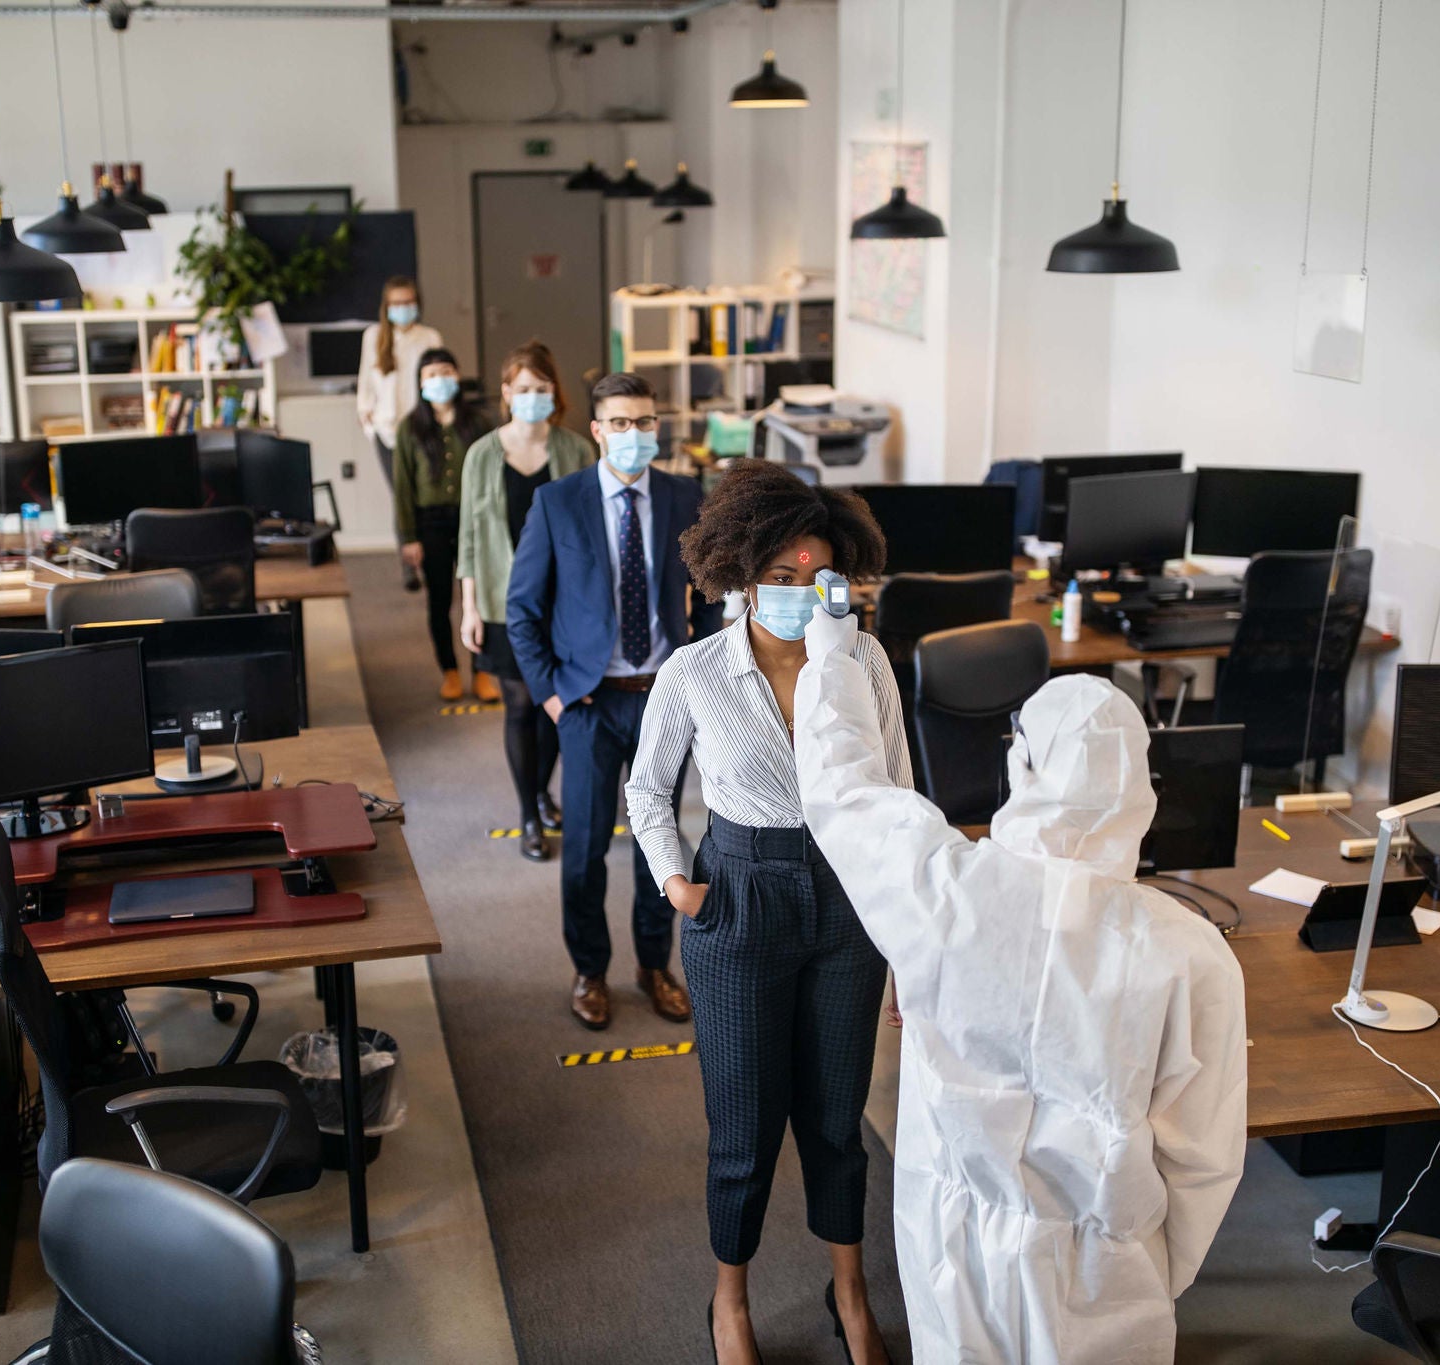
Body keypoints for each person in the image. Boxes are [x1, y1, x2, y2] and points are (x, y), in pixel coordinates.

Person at [793, 635, 1250, 1365]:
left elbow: (844, 791)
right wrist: (1149, 1271)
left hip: (955, 1249)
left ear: (1022, 765)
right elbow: (1205, 1161)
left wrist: (832, 662)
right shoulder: (1190, 953)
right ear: (1138, 781)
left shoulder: (946, 896)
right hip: (1106, 1274)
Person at [626, 461, 906, 1365]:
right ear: (742, 572)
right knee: (743, 1129)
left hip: (847, 903)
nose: (796, 594)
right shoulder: (696, 669)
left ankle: (851, 1291)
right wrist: (678, 882)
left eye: (815, 578)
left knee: (836, 1121)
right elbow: (647, 789)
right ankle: (729, 1300)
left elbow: (897, 791)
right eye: (778, 577)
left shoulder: (861, 659)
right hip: (739, 899)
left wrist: (909, 939)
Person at [506, 372, 721, 1030]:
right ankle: (590, 969)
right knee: (587, 846)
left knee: (661, 841)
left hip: (663, 697)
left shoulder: (687, 496)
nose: (634, 435)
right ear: (597, 431)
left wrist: (701, 676)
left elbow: (710, 597)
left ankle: (654, 964)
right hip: (589, 702)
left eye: (645, 422)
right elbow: (522, 611)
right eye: (620, 424)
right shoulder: (557, 503)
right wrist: (550, 695)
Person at [456, 340, 596, 859]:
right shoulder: (481, 455)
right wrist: (469, 606)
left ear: (553, 393)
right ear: (506, 393)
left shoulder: (576, 450)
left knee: (554, 705)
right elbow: (469, 536)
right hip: (500, 601)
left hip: (563, 602)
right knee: (518, 705)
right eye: (523, 389)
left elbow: (591, 530)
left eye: (542, 388)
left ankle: (542, 792)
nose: (533, 397)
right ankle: (527, 814)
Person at [393, 347, 491, 702]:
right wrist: (408, 536)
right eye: (431, 374)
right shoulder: (409, 427)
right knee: (439, 600)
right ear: (420, 382)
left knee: (478, 597)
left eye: (446, 371)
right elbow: (403, 485)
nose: (439, 380)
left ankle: (482, 671)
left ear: (458, 375)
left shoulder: (478, 422)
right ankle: (449, 671)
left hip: (474, 520)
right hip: (430, 522)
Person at [355, 275, 442, 589]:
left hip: (420, 429)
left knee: (424, 494)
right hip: (387, 431)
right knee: (401, 496)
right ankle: (408, 565)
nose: (403, 308)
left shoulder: (429, 337)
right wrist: (368, 420)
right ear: (386, 306)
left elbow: (437, 381)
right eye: (397, 304)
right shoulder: (374, 336)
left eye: (408, 302)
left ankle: (430, 557)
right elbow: (366, 382)